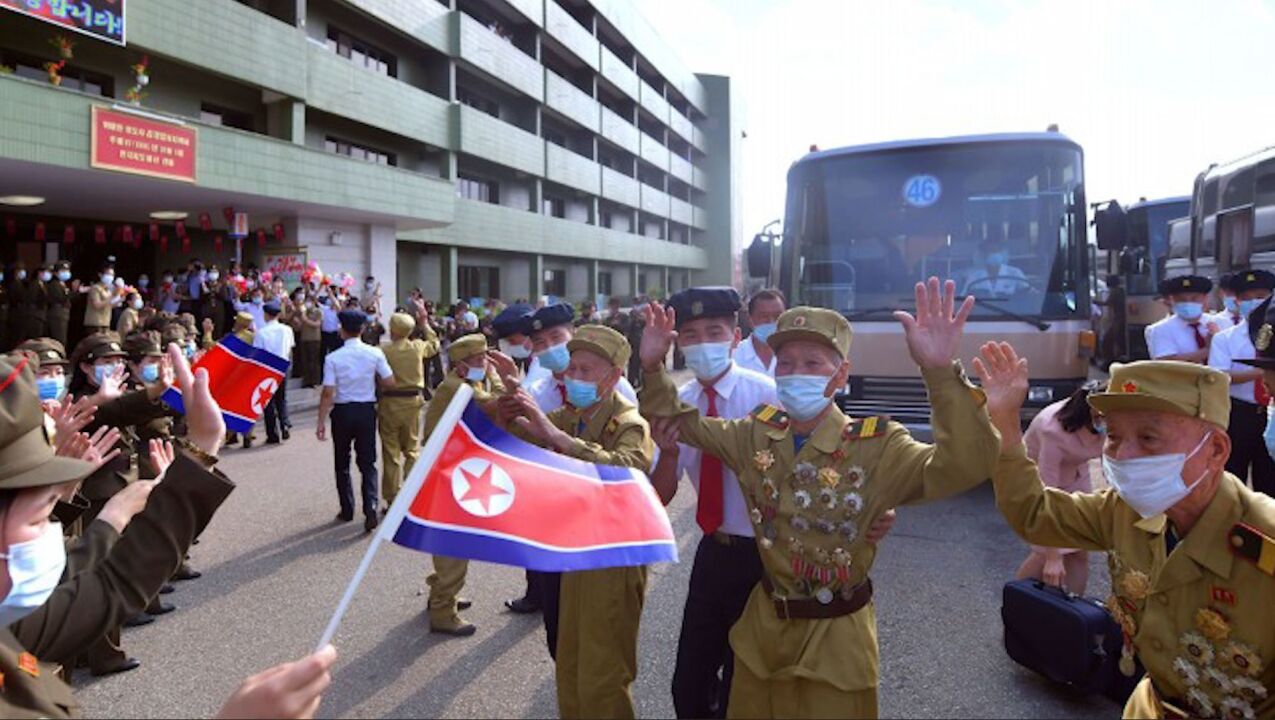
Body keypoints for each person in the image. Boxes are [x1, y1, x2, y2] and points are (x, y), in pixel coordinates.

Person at [638, 278, 1000, 718]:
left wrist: (940, 372)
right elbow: (677, 420)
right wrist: (653, 365)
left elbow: (965, 463)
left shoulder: (876, 445)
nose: (795, 373)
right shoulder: (756, 433)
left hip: (834, 640)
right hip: (763, 628)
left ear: (841, 374)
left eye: (813, 362)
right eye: (786, 363)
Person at [976, 346, 1275, 720]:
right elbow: (1036, 514)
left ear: (1215, 449)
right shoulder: (1123, 510)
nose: (1122, 456)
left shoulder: (1266, 537)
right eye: (1113, 436)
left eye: (1148, 439)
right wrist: (1005, 421)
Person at [499, 324, 654, 719]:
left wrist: (559, 438)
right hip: (577, 552)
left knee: (603, 674)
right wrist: (509, 399)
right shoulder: (576, 415)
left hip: (613, 561)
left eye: (587, 370)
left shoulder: (629, 424)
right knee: (570, 664)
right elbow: (526, 434)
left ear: (615, 376)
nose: (576, 378)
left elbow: (626, 473)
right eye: (573, 369)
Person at [422, 333, 502, 637]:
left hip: (449, 469)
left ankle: (441, 595)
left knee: (447, 541)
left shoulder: (465, 383)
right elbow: (496, 405)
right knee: (454, 544)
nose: (486, 364)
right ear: (461, 365)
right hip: (447, 474)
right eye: (480, 360)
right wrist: (497, 376)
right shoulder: (461, 389)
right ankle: (444, 611)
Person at [1013, 382, 1105, 595]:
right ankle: (1015, 605)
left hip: (1075, 474)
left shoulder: (1106, 422)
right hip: (1039, 481)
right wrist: (1054, 556)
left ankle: (1075, 612)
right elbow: (1047, 496)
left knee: (1079, 551)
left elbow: (1111, 463)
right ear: (1092, 410)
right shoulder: (1053, 431)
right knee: (1043, 556)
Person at [317, 310, 394, 532]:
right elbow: (390, 381)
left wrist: (321, 421)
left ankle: (347, 508)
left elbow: (328, 392)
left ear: (342, 330)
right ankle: (370, 506)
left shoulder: (333, 358)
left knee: (342, 462)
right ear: (362, 330)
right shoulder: (374, 354)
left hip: (342, 411)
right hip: (366, 410)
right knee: (368, 462)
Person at [1208, 270, 1275, 495]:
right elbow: (1219, 378)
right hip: (1239, 414)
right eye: (1247, 297)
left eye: (1261, 295)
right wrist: (1261, 371)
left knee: (1269, 480)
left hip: (1270, 411)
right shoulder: (1225, 338)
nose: (1254, 302)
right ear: (1236, 300)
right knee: (1231, 477)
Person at [377, 310, 438, 507]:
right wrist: (425, 323)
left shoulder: (383, 350)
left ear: (391, 330)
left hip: (389, 403)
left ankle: (393, 497)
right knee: (412, 449)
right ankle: (412, 494)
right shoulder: (417, 347)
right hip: (413, 402)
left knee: (391, 451)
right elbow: (435, 344)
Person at [1146, 275, 1218, 363]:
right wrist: (1208, 350)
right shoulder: (1160, 329)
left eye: (1194, 298)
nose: (1188, 303)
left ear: (1205, 299)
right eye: (1182, 299)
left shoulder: (1219, 323)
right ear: (1173, 300)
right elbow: (1166, 363)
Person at [254, 301, 296, 445]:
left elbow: (258, 353)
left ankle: (273, 434)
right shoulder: (287, 330)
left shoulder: (261, 332)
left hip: (267, 367)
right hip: (282, 365)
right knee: (282, 399)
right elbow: (290, 348)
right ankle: (285, 423)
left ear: (266, 314)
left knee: (268, 401)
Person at [734, 289, 786, 376]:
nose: (771, 321)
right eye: (764, 316)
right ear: (750, 319)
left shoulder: (793, 357)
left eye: (777, 316)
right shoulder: (735, 357)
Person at [963, 239, 1028, 296]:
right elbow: (964, 296)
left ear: (1003, 253)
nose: (993, 254)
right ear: (983, 255)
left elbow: (1029, 293)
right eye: (989, 251)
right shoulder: (974, 276)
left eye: (996, 251)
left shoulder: (1015, 273)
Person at [298, 294, 324, 388]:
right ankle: (306, 380)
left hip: (314, 338)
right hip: (304, 338)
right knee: (305, 360)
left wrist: (305, 319)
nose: (307, 303)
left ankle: (314, 381)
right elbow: (299, 325)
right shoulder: (303, 312)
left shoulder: (318, 312)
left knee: (313, 361)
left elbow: (317, 324)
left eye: (310, 301)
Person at [83, 263, 116, 337]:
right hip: (95, 323)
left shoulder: (107, 290)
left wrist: (119, 298)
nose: (110, 277)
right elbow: (97, 305)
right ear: (100, 275)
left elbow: (109, 306)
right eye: (108, 274)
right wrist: (112, 296)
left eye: (112, 275)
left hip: (105, 322)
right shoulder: (95, 288)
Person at [46, 261, 72, 348]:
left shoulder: (62, 284)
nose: (66, 273)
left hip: (62, 313)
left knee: (62, 338)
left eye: (67, 270)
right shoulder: (54, 284)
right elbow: (61, 298)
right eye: (63, 271)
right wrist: (75, 292)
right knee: (59, 339)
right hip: (57, 314)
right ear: (55, 273)